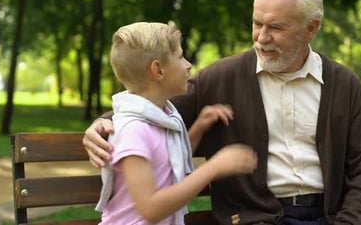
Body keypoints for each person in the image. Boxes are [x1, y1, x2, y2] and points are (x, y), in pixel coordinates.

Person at [84, 0, 361, 225]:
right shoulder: (220, 78)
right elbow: (149, 103)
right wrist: (103, 123)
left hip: (330, 218)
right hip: (255, 219)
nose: (261, 38)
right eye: (257, 23)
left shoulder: (344, 85)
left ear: (311, 28)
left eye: (276, 28)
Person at [96, 21, 258, 225]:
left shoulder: (162, 117)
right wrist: (213, 168)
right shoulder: (133, 129)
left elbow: (171, 160)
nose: (188, 64)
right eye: (180, 57)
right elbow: (151, 208)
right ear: (158, 70)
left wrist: (200, 125)